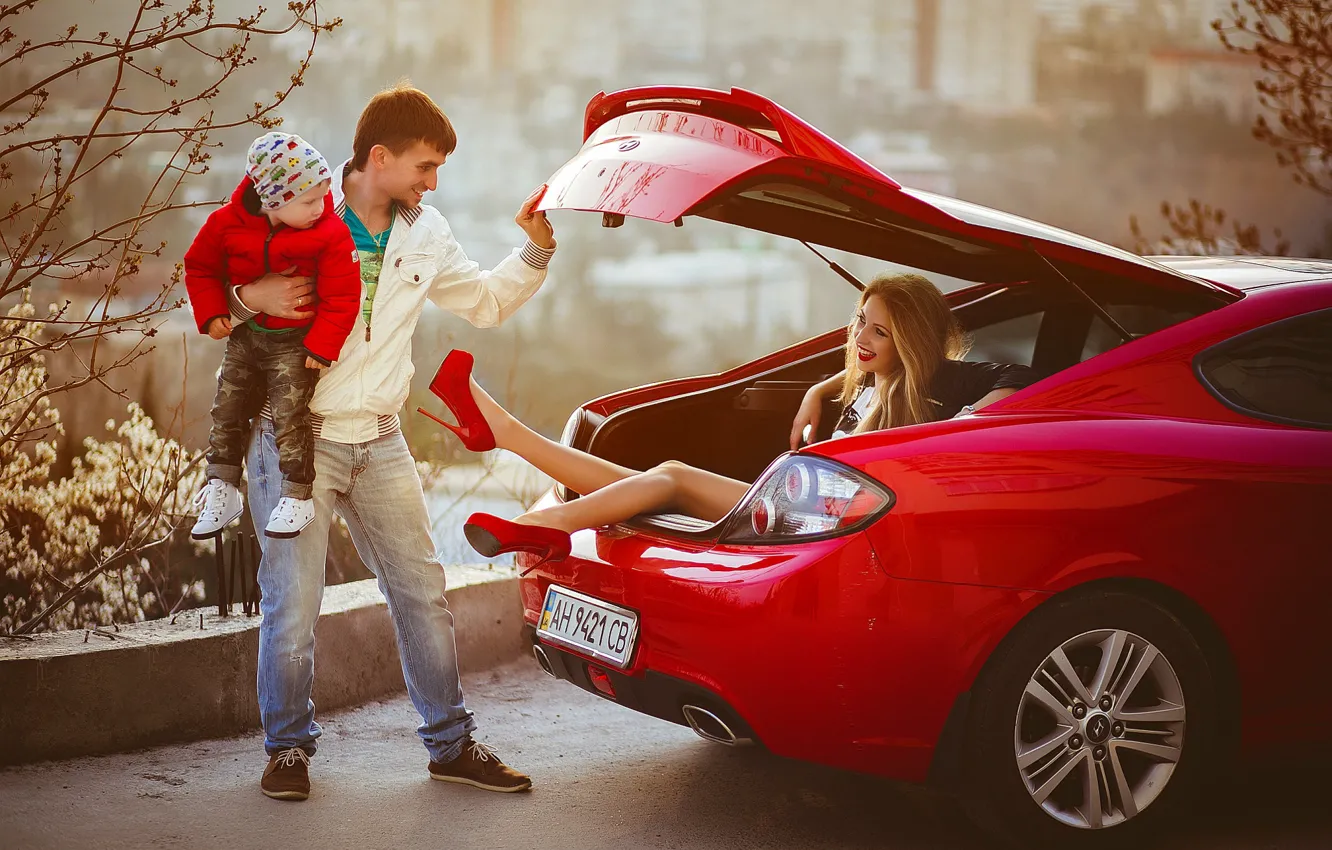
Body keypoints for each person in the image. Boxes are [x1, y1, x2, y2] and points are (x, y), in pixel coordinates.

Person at [221, 82, 555, 801]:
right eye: (424, 167)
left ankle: (452, 745)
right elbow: (215, 285)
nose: (433, 183)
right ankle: (287, 751)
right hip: (294, 444)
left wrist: (534, 250)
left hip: (379, 442)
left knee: (424, 595)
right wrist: (251, 299)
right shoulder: (297, 212)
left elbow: (486, 303)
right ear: (379, 157)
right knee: (292, 608)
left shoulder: (426, 233)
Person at [424, 273, 1036, 562]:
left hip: (819, 524)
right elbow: (859, 366)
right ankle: (502, 432)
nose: (862, 338)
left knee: (672, 476)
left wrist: (963, 423)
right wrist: (824, 387)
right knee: (635, 486)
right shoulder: (863, 387)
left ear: (914, 339)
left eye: (883, 330)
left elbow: (1022, 386)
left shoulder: (938, 388)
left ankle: (547, 520)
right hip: (795, 505)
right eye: (859, 323)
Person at [184, 132, 360, 540]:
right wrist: (212, 313)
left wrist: (322, 345)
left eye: (322, 196)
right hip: (246, 336)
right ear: (272, 199)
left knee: (290, 413)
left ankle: (297, 494)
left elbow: (344, 293)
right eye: (309, 201)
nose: (322, 208)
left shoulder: (329, 232)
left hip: (296, 342)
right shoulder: (226, 224)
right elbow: (199, 267)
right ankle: (222, 486)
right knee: (226, 406)